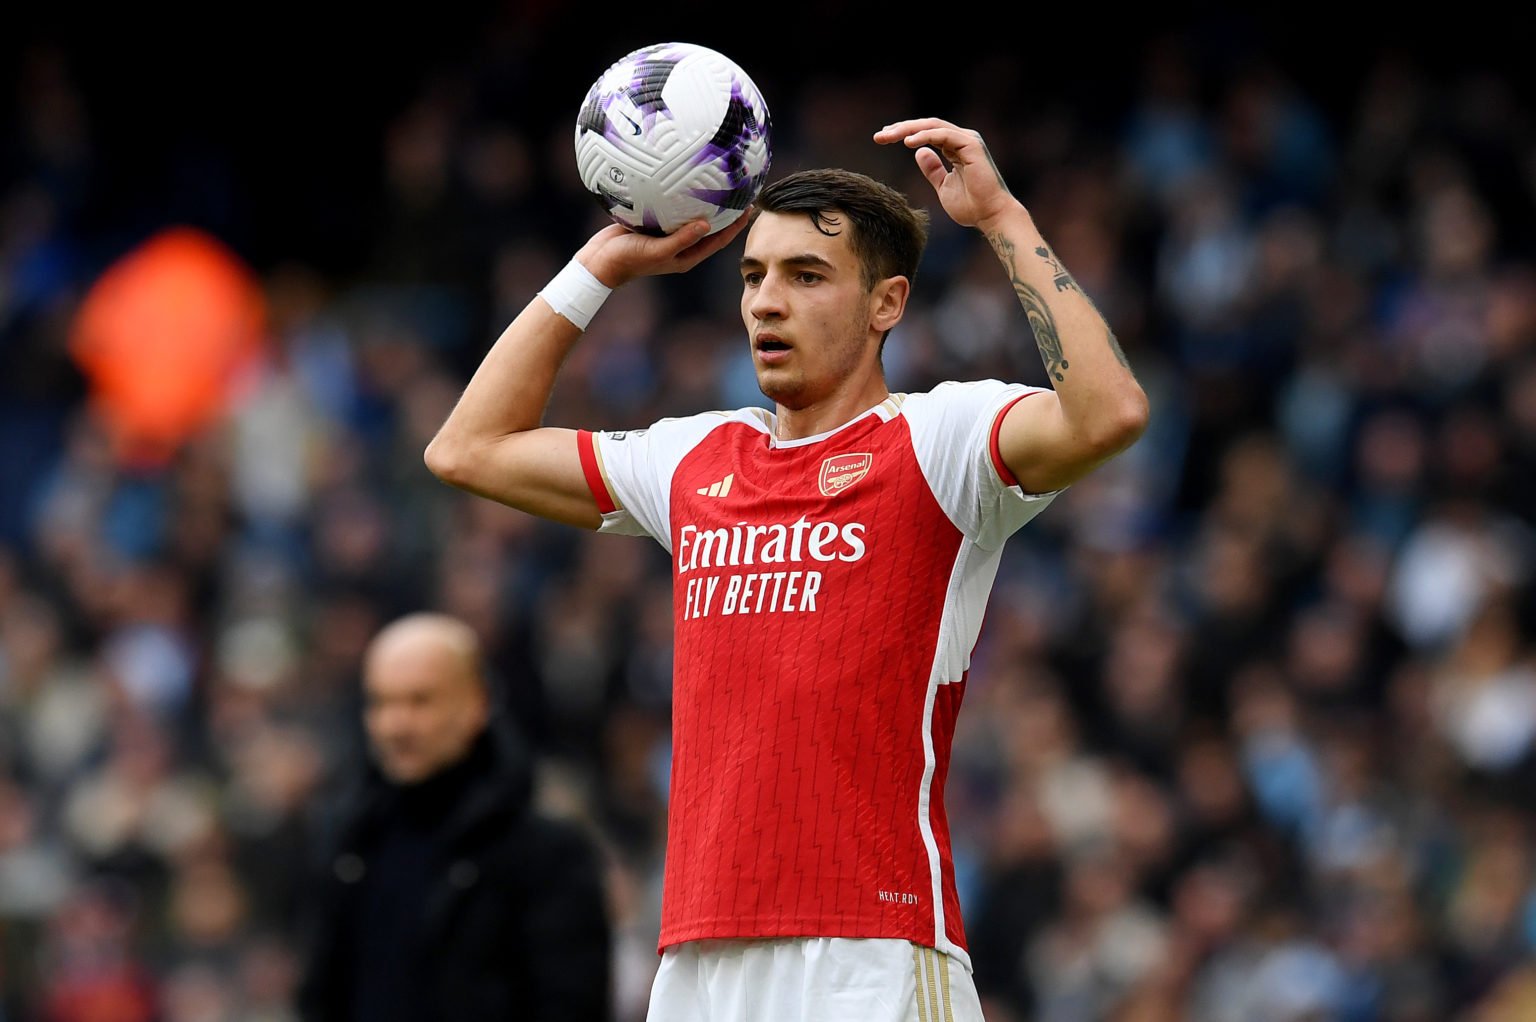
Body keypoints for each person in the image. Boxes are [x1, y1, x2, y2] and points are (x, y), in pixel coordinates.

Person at [424, 118, 1149, 1020]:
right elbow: (467, 449)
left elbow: (1108, 413)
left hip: (872, 951)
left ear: (888, 304)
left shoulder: (943, 441)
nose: (767, 301)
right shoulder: (693, 457)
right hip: (697, 956)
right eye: (754, 276)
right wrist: (600, 269)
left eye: (807, 277)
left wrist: (1000, 218)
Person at [294, 612, 612, 1022]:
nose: (396, 724)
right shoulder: (347, 842)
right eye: (381, 702)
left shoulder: (547, 855)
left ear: (477, 704)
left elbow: (571, 1005)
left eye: (420, 700)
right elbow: (320, 994)